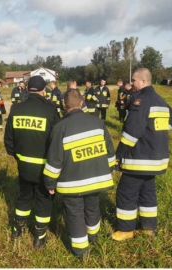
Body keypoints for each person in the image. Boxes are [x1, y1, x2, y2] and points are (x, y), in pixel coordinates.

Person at [44, 89, 115, 257]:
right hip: (97, 180)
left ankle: (81, 251)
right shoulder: (97, 122)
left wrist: (49, 182)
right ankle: (94, 236)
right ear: (82, 102)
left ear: (64, 105)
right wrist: (109, 170)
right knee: (92, 207)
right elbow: (110, 152)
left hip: (72, 184)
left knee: (74, 214)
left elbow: (54, 161)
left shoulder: (60, 128)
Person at [111, 68, 172, 241]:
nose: (131, 83)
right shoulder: (160, 100)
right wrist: (155, 133)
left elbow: (131, 132)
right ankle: (148, 229)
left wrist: (118, 155)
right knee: (148, 192)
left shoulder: (140, 100)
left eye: (133, 80)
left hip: (139, 160)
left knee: (126, 193)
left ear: (143, 82)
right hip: (157, 160)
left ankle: (126, 230)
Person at [4, 75, 60, 249]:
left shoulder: (16, 108)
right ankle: (39, 236)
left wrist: (19, 157)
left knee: (24, 196)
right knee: (44, 200)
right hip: (45, 167)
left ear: (27, 89)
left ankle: (17, 229)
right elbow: (57, 141)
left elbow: (9, 140)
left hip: (24, 165)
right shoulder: (50, 110)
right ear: (44, 91)